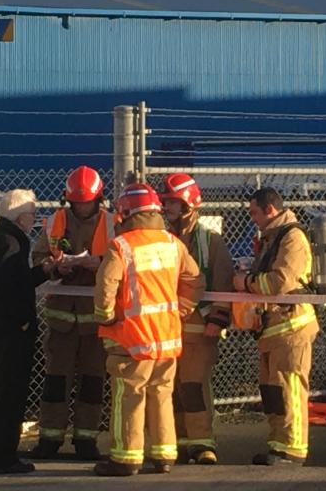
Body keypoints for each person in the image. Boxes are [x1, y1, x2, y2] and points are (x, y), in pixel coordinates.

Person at [92, 183, 205, 477]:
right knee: (162, 395)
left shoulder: (122, 246)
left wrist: (105, 318)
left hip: (131, 339)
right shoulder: (173, 244)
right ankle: (164, 456)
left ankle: (126, 458)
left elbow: (106, 286)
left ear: (127, 213)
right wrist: (180, 310)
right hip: (167, 338)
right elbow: (194, 280)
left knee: (129, 396)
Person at [30, 166, 115, 460]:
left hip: (96, 321)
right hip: (61, 319)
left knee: (93, 380)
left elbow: (122, 260)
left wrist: (99, 263)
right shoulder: (55, 221)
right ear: (68, 199)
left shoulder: (112, 223)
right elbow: (39, 257)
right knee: (56, 380)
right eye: (76, 202)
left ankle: (86, 439)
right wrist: (56, 267)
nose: (81, 207)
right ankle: (50, 438)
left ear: (97, 198)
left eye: (86, 202)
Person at [232, 187, 319, 466]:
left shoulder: (292, 237)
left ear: (270, 209)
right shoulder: (271, 239)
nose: (253, 219)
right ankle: (277, 444)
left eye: (255, 212)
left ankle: (293, 449)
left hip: (291, 326)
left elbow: (281, 282)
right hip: (273, 329)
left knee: (289, 388)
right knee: (273, 392)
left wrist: (245, 282)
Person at [0, 189, 55, 474]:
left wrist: (43, 271)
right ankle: (4, 457)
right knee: (11, 395)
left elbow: (7, 284)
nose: (34, 220)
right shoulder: (13, 244)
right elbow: (9, 290)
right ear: (22, 217)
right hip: (12, 332)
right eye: (33, 214)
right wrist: (22, 321)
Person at [158, 173, 234, 465]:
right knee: (172, 388)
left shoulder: (210, 242)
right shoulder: (163, 240)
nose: (168, 209)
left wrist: (217, 319)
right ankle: (177, 442)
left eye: (173, 203)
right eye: (166, 203)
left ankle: (202, 444)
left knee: (193, 385)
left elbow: (224, 283)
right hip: (166, 329)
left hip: (199, 330)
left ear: (189, 204)